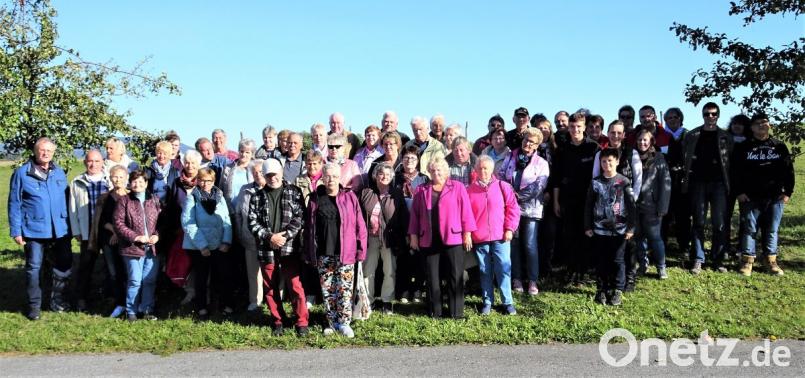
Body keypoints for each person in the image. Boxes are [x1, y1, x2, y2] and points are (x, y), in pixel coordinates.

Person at [9, 138, 73, 319]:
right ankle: (34, 306)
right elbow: (14, 203)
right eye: (42, 150)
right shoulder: (22, 173)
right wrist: (16, 230)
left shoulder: (59, 172)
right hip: (33, 230)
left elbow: (67, 200)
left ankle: (57, 300)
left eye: (49, 151)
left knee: (64, 265)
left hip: (60, 229)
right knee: (33, 268)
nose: (45, 153)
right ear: (35, 151)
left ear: (53, 153)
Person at [303, 163, 367, 338]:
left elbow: (360, 226)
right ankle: (331, 322)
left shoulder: (350, 197)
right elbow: (309, 228)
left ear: (340, 178)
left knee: (344, 289)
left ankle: (344, 323)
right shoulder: (315, 198)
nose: (331, 179)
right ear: (322, 177)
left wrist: (361, 250)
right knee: (328, 289)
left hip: (346, 252)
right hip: (323, 252)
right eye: (328, 176)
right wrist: (308, 251)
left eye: (335, 176)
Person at [408, 156, 476, 319]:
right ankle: (435, 311)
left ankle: (456, 312)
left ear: (446, 172)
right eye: (433, 170)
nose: (436, 173)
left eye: (439, 170)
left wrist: (467, 233)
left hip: (453, 238)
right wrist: (413, 236)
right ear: (429, 172)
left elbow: (466, 211)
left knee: (455, 275)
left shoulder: (458, 187)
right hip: (429, 239)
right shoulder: (421, 190)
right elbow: (415, 216)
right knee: (432, 276)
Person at [248, 159, 308, 335]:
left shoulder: (294, 192)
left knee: (295, 285)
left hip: (289, 248)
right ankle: (278, 321)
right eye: (268, 175)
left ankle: (302, 322)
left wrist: (286, 236)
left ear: (281, 173)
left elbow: (300, 217)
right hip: (266, 248)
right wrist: (269, 237)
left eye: (275, 174)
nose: (272, 178)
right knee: (270, 287)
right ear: (264, 176)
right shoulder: (257, 196)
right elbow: (252, 222)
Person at [733, 113, 795, 276]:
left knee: (772, 229)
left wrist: (787, 192)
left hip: (774, 197)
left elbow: (788, 171)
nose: (761, 125)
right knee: (749, 229)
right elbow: (735, 172)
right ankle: (747, 261)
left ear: (770, 125)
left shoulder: (779, 146)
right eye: (757, 123)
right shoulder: (743, 147)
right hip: (750, 197)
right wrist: (739, 192)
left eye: (765, 122)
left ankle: (771, 261)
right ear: (751, 127)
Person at [682, 102, 734, 274]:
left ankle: (718, 259)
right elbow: (685, 157)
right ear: (702, 115)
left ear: (718, 115)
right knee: (698, 222)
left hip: (719, 183)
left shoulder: (726, 136)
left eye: (713, 114)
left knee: (719, 223)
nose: (710, 117)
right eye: (707, 114)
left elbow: (731, 161)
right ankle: (698, 258)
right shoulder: (692, 135)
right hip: (698, 183)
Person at [592, 120, 642, 290]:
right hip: (606, 207)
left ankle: (630, 278)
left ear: (624, 134)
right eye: (612, 132)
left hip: (628, 202)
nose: (615, 135)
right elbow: (596, 176)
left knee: (629, 244)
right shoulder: (601, 153)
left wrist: (631, 200)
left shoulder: (631, 152)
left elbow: (638, 179)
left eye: (619, 132)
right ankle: (610, 280)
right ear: (608, 133)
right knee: (611, 248)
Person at [498, 129, 550, 295]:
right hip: (511, 209)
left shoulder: (541, 163)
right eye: (526, 140)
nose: (528, 144)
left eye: (532, 142)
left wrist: (517, 196)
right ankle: (517, 278)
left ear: (537, 145)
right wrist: (510, 197)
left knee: (529, 244)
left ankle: (533, 280)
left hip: (531, 209)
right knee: (514, 243)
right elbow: (501, 177)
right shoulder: (510, 157)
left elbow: (539, 186)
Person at [551, 112, 601, 284]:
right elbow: (556, 177)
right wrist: (556, 201)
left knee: (586, 235)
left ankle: (584, 271)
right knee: (569, 235)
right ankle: (571, 269)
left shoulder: (594, 148)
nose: (575, 130)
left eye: (579, 126)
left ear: (585, 127)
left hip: (589, 199)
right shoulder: (563, 149)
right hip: (567, 199)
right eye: (572, 126)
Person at [584, 148, 637, 306]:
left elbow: (632, 207)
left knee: (618, 260)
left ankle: (618, 289)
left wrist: (631, 228)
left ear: (617, 162)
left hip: (619, 230)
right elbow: (588, 205)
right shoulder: (596, 182)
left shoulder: (624, 181)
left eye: (610, 161)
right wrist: (587, 225)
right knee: (601, 260)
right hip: (599, 230)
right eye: (604, 161)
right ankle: (601, 288)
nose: (607, 164)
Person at [468, 156, 520, 315]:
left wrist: (510, 228)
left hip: (501, 236)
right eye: (480, 168)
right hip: (480, 238)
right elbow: (466, 215)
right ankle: (487, 301)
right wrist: (469, 233)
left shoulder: (503, 186)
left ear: (492, 170)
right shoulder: (469, 190)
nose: (483, 171)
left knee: (503, 268)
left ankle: (507, 302)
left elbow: (513, 209)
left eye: (486, 168)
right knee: (485, 270)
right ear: (475, 170)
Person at [181, 168, 234, 318]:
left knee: (223, 275)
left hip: (219, 243)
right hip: (199, 246)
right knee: (202, 278)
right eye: (202, 180)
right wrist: (202, 245)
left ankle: (224, 304)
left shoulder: (219, 196)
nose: (205, 184)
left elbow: (226, 220)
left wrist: (226, 241)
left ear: (213, 181)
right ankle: (201, 306)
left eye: (209, 181)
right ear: (197, 181)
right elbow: (188, 223)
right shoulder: (192, 198)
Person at [113, 169, 162, 321]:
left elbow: (162, 221)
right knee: (134, 280)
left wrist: (157, 235)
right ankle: (131, 311)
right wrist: (136, 237)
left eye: (141, 181)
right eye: (134, 181)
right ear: (130, 183)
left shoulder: (154, 200)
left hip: (152, 248)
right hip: (132, 248)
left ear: (146, 183)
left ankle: (146, 309)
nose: (137, 184)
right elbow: (118, 223)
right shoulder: (124, 201)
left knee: (149, 280)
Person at [359, 162, 408, 314]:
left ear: (392, 177)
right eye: (381, 174)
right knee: (368, 271)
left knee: (389, 270)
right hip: (370, 238)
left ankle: (387, 301)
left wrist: (404, 236)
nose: (384, 177)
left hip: (389, 238)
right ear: (375, 176)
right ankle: (368, 300)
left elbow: (403, 217)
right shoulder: (366, 192)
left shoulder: (396, 193)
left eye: (388, 174)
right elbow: (359, 215)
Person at [70, 150, 110, 312]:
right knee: (86, 266)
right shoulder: (77, 182)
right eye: (90, 161)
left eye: (97, 161)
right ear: (85, 162)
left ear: (102, 162)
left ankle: (109, 297)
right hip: (88, 231)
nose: (93, 164)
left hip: (107, 231)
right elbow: (72, 209)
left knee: (110, 266)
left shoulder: (110, 180)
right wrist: (76, 230)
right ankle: (82, 299)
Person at [161, 150, 203, 305]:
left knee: (200, 262)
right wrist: (175, 227)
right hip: (181, 230)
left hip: (202, 229)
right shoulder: (177, 182)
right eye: (187, 162)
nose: (190, 165)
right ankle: (189, 291)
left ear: (199, 164)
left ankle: (203, 292)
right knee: (184, 261)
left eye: (193, 163)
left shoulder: (204, 180)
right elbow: (172, 206)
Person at [92, 165, 129, 318]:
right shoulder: (105, 198)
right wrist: (114, 231)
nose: (117, 180)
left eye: (121, 177)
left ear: (126, 178)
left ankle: (130, 303)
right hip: (109, 240)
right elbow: (102, 220)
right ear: (110, 178)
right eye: (115, 176)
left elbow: (133, 220)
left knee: (128, 272)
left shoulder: (131, 196)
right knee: (114, 273)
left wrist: (119, 233)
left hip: (127, 240)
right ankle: (119, 303)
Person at [394, 145, 430, 304]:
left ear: (418, 161)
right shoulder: (394, 178)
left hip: (419, 225)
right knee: (403, 259)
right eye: (406, 158)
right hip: (400, 224)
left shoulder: (424, 179)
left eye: (413, 158)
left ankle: (417, 290)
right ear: (402, 160)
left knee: (419, 259)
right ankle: (403, 289)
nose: (409, 161)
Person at [634, 129, 671, 279]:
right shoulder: (633, 156)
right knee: (638, 237)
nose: (642, 143)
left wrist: (663, 206)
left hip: (652, 204)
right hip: (635, 204)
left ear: (651, 142)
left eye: (645, 140)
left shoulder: (659, 158)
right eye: (640, 140)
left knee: (655, 237)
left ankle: (661, 267)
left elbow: (666, 183)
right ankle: (643, 264)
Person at [293, 150, 326, 308]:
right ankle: (311, 294)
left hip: (322, 225)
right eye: (309, 163)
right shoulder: (299, 180)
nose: (312, 166)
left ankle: (323, 293)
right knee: (308, 261)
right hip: (305, 226)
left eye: (315, 163)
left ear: (321, 164)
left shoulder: (326, 179)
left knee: (323, 260)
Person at [661, 108, 691, 256]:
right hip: (665, 180)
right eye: (669, 118)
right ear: (665, 120)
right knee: (664, 215)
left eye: (675, 117)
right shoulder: (661, 136)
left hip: (683, 180)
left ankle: (684, 247)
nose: (673, 120)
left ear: (680, 118)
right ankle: (661, 246)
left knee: (683, 216)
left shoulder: (688, 135)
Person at [235, 160, 265, 312]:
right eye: (255, 173)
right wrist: (241, 232)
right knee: (253, 272)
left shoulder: (273, 188)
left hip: (269, 240)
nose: (258, 175)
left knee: (274, 272)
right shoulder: (245, 190)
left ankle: (278, 297)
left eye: (261, 172)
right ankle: (255, 300)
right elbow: (239, 213)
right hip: (249, 238)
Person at [725, 114, 752, 256]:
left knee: (745, 218)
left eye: (740, 124)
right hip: (727, 184)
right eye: (734, 123)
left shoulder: (751, 142)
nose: (736, 126)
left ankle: (742, 247)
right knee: (725, 216)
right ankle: (725, 246)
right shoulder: (724, 140)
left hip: (745, 186)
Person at [221, 138, 256, 213]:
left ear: (252, 154)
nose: (243, 154)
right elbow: (221, 188)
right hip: (230, 209)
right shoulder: (228, 168)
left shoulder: (255, 168)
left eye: (247, 152)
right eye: (241, 151)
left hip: (249, 209)